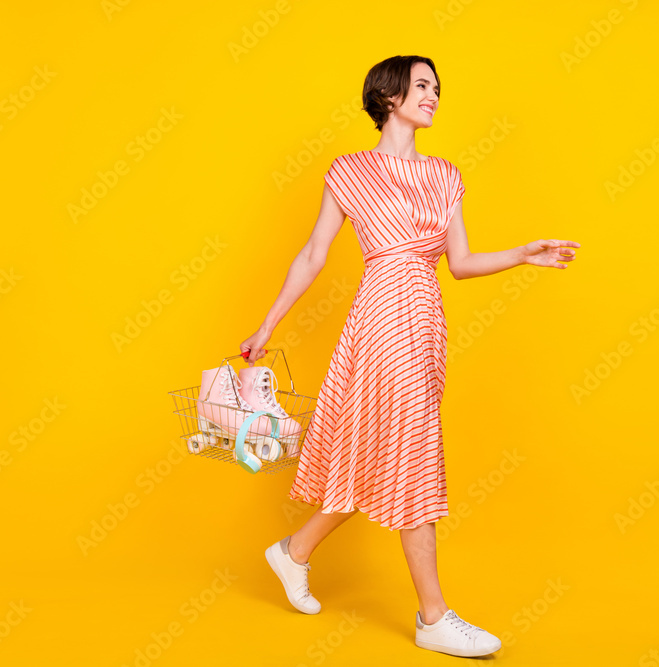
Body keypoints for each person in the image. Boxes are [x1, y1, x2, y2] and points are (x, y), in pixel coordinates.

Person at [241, 55, 581, 658]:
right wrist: (267, 325)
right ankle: (434, 617)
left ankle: (293, 552)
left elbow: (461, 263)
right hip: (380, 319)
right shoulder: (349, 170)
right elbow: (314, 254)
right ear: (390, 96)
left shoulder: (446, 175)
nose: (433, 96)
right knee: (413, 456)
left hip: (425, 322)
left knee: (380, 454)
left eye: (437, 88)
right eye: (422, 85)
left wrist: (522, 254)